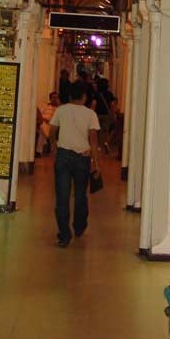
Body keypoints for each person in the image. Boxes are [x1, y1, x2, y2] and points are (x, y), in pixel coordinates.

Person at [48, 80, 100, 247]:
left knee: (62, 197)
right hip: (82, 158)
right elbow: (93, 141)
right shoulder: (90, 114)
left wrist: (55, 149)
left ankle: (64, 234)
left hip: (63, 156)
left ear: (70, 96)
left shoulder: (61, 110)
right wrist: (96, 164)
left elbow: (51, 133)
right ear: (84, 97)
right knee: (80, 195)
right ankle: (79, 226)